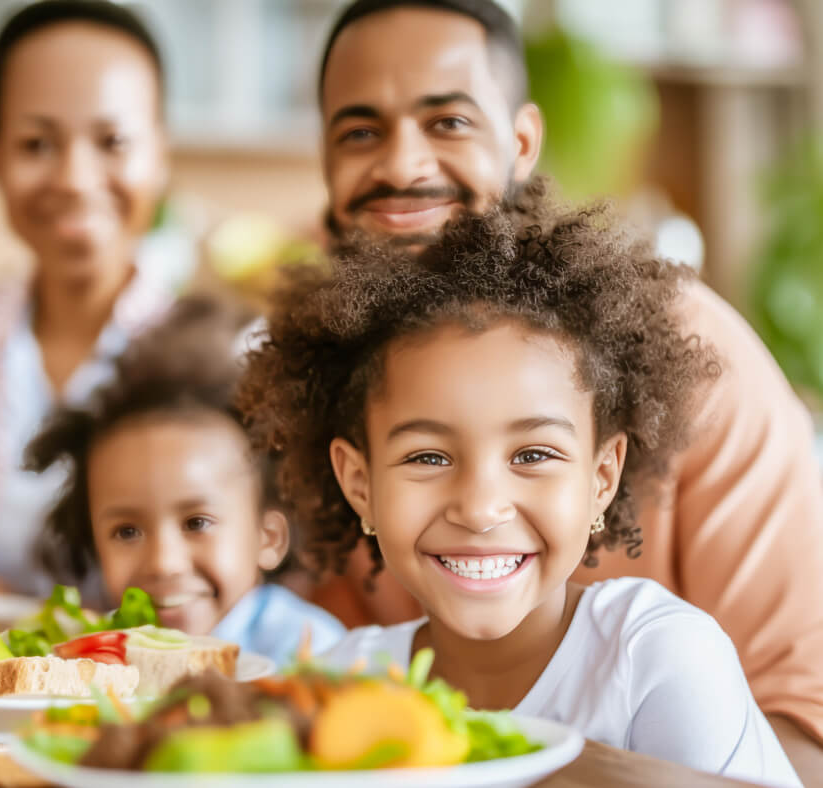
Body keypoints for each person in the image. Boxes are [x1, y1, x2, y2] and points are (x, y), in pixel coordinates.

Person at [308, 0, 823, 775]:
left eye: (446, 122)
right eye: (359, 131)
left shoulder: (686, 355)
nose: (403, 165)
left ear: (520, 141)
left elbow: (807, 726)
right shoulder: (316, 376)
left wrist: (520, 764)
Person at [238, 204, 800, 785]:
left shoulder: (654, 656)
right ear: (361, 484)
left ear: (601, 478)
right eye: (428, 457)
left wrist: (561, 762)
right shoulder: (338, 686)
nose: (480, 509)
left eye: (533, 456)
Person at [0, 1, 173, 595]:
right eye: (36, 144)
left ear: (159, 154)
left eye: (112, 140)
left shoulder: (212, 357)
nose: (75, 179)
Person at [25, 296, 345, 666]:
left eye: (197, 523)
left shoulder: (315, 656)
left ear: (268, 537)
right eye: (126, 531)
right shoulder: (93, 657)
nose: (163, 563)